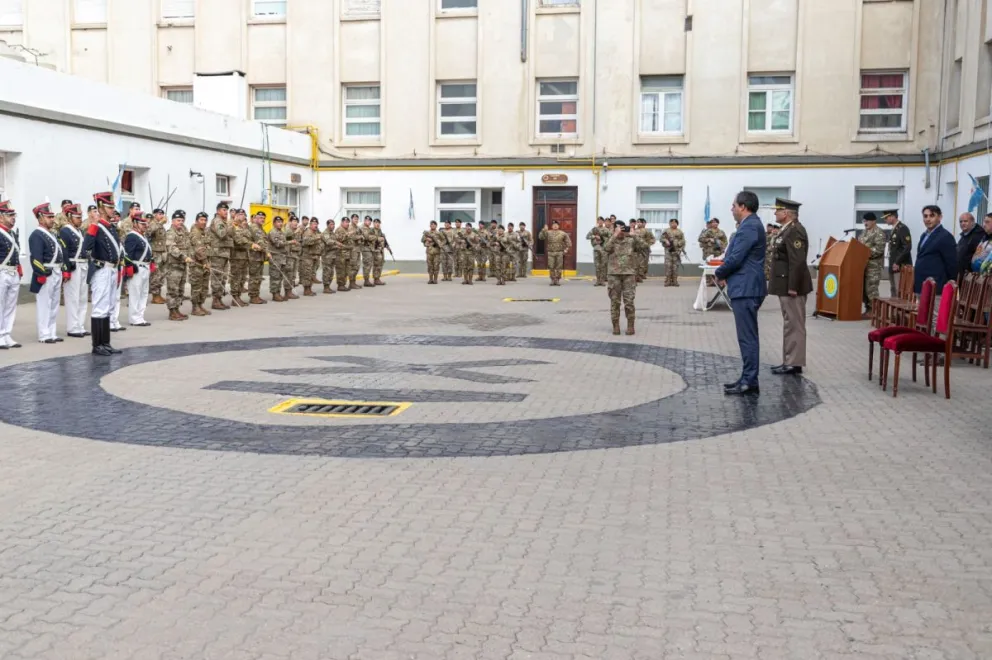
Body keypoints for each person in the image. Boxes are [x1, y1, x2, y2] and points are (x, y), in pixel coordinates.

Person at [714, 191, 767, 396]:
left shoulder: (750, 227)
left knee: (748, 337)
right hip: (745, 287)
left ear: (743, 207)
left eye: (734, 205)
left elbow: (736, 257)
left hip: (747, 288)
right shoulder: (750, 225)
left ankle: (750, 380)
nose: (732, 209)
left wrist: (719, 272)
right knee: (746, 337)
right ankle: (747, 378)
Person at [769, 198, 813, 375]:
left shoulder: (795, 231)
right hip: (785, 283)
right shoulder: (786, 230)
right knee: (790, 323)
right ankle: (789, 360)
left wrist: (793, 286)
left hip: (792, 286)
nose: (775, 213)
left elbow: (797, 261)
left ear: (786, 213)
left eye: (777, 210)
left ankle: (794, 363)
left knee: (794, 324)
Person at [82, 191, 123, 355]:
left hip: (112, 269)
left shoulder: (111, 227)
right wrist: (93, 225)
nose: (113, 209)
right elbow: (86, 247)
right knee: (99, 307)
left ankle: (105, 343)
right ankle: (97, 345)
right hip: (101, 270)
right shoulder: (96, 227)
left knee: (108, 307)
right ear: (101, 207)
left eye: (113, 206)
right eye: (109, 206)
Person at [29, 203, 66, 344]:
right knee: (44, 304)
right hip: (46, 272)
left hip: (56, 271)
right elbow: (36, 257)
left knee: (54, 304)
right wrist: (40, 273)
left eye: (52, 217)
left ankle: (51, 331)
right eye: (49, 217)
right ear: (40, 218)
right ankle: (44, 334)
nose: (52, 219)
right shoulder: (37, 235)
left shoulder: (51, 235)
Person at [604, 221, 647, 335]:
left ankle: (630, 325)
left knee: (629, 302)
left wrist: (634, 235)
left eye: (622, 229)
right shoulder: (611, 240)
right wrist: (614, 235)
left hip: (629, 274)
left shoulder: (631, 240)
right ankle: (616, 325)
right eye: (618, 229)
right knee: (615, 302)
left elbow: (644, 246)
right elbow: (606, 249)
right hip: (614, 275)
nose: (621, 231)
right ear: (613, 229)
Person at [59, 204, 89, 338]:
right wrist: (65, 269)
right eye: (77, 217)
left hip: (83, 265)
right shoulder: (65, 231)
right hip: (73, 265)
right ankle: (72, 327)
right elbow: (63, 251)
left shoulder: (80, 231)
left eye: (81, 217)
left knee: (82, 297)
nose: (80, 219)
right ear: (70, 217)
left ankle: (80, 325)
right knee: (73, 298)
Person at [914, 205, 957, 294]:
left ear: (940, 217)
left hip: (936, 286)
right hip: (921, 284)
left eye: (932, 215)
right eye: (925, 216)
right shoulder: (924, 235)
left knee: (935, 308)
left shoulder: (945, 236)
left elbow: (952, 264)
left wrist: (950, 284)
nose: (928, 219)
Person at [122, 213, 155, 327]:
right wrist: (129, 267)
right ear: (135, 224)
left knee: (144, 294)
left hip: (145, 267)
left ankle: (140, 316)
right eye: (142, 223)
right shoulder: (132, 236)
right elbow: (127, 254)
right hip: (137, 268)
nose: (145, 225)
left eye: (145, 223)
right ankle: (134, 318)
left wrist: (151, 262)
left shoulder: (143, 236)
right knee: (135, 294)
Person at [0, 200, 21, 349]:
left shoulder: (13, 233)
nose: (13, 218)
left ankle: (7, 334)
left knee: (10, 305)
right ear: (1, 217)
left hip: (13, 272)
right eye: (9, 215)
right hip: (2, 271)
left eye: (13, 215)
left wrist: (18, 268)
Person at [858, 212, 887, 319]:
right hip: (863, 266)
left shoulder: (879, 233)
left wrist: (864, 253)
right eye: (864, 221)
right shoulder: (864, 232)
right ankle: (868, 309)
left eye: (867, 221)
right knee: (864, 290)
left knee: (871, 289)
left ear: (874, 221)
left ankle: (876, 312)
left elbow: (879, 249)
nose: (865, 223)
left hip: (873, 267)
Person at [164, 210, 191, 320]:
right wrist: (184, 256)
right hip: (174, 266)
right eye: (178, 220)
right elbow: (172, 248)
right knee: (173, 290)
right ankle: (172, 312)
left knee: (180, 290)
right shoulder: (171, 233)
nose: (181, 222)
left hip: (182, 265)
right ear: (173, 221)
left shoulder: (183, 232)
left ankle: (177, 309)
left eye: (182, 220)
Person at [884, 209, 912, 296]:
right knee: (893, 288)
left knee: (900, 290)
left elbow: (907, 247)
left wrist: (897, 262)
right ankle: (894, 309)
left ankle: (900, 310)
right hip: (893, 264)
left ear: (892, 217)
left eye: (886, 218)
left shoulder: (902, 228)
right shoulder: (895, 228)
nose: (885, 220)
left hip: (900, 265)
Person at [188, 212, 212, 314]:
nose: (204, 222)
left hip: (205, 263)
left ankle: (200, 305)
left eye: (205, 220)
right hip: (197, 264)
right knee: (197, 286)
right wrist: (205, 262)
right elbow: (199, 250)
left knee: (204, 286)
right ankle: (195, 307)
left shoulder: (204, 232)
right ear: (196, 221)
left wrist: (208, 262)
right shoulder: (195, 232)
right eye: (201, 220)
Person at [539, 220, 571, 285]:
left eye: (556, 225)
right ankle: (552, 279)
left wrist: (566, 249)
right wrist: (543, 230)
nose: (555, 226)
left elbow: (568, 242)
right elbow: (541, 237)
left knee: (559, 267)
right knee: (551, 266)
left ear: (558, 226)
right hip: (551, 252)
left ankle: (557, 279)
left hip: (559, 252)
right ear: (552, 226)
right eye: (554, 225)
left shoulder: (563, 233)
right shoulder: (548, 232)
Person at [956, 212, 986, 276]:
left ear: (973, 222)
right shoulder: (964, 235)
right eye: (961, 222)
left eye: (965, 221)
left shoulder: (978, 235)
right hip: (961, 274)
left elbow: (979, 256)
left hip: (971, 276)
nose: (963, 223)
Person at [267, 216, 290, 301]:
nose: (280, 224)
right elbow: (278, 244)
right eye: (278, 222)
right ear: (274, 223)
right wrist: (289, 242)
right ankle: (275, 294)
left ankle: (278, 292)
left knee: (280, 276)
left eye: (281, 222)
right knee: (275, 276)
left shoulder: (281, 232)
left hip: (282, 257)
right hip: (275, 257)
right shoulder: (273, 232)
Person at [661, 218, 685, 286]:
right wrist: (666, 241)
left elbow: (683, 241)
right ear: (669, 224)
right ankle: (668, 281)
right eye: (671, 223)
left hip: (676, 251)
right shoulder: (666, 231)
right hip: (668, 251)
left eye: (675, 223)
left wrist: (679, 247)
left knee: (675, 266)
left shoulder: (680, 232)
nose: (673, 224)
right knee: (668, 266)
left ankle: (675, 281)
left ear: (677, 224)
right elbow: (661, 238)